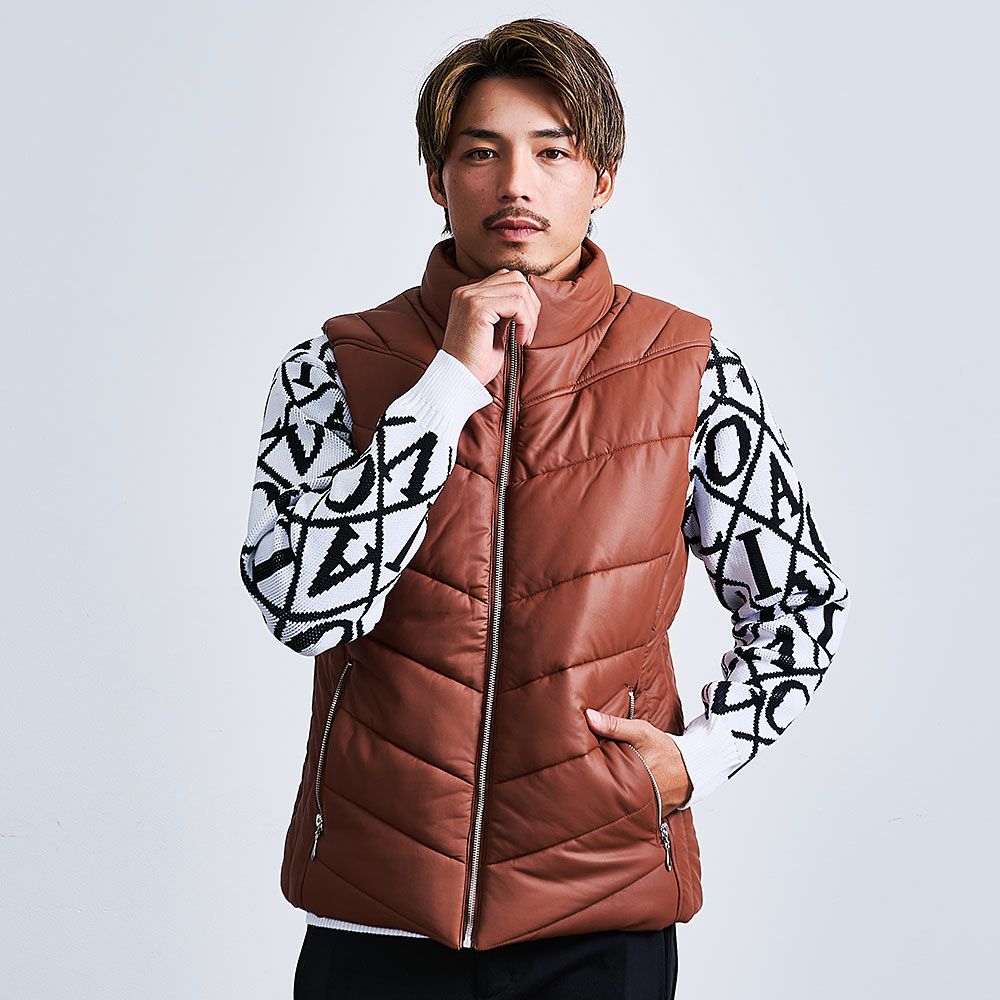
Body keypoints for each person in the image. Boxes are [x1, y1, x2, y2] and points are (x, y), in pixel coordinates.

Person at [238, 17, 850, 1000]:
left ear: (602, 177)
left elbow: (801, 602)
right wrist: (444, 386)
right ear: (437, 178)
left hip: (600, 915)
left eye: (552, 152)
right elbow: (301, 606)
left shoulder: (691, 373)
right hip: (376, 913)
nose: (515, 183)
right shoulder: (334, 368)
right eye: (481, 152)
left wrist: (700, 758)